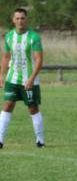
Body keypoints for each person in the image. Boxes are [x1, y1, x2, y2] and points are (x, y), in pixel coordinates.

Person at [0, 8, 44, 149]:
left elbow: (39, 60)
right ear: (13, 20)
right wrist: (1, 75)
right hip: (12, 79)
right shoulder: (8, 36)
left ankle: (40, 140)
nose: (20, 21)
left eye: (22, 18)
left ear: (27, 20)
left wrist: (31, 79)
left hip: (29, 80)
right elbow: (6, 57)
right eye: (17, 18)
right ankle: (0, 140)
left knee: (32, 108)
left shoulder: (34, 37)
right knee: (7, 106)